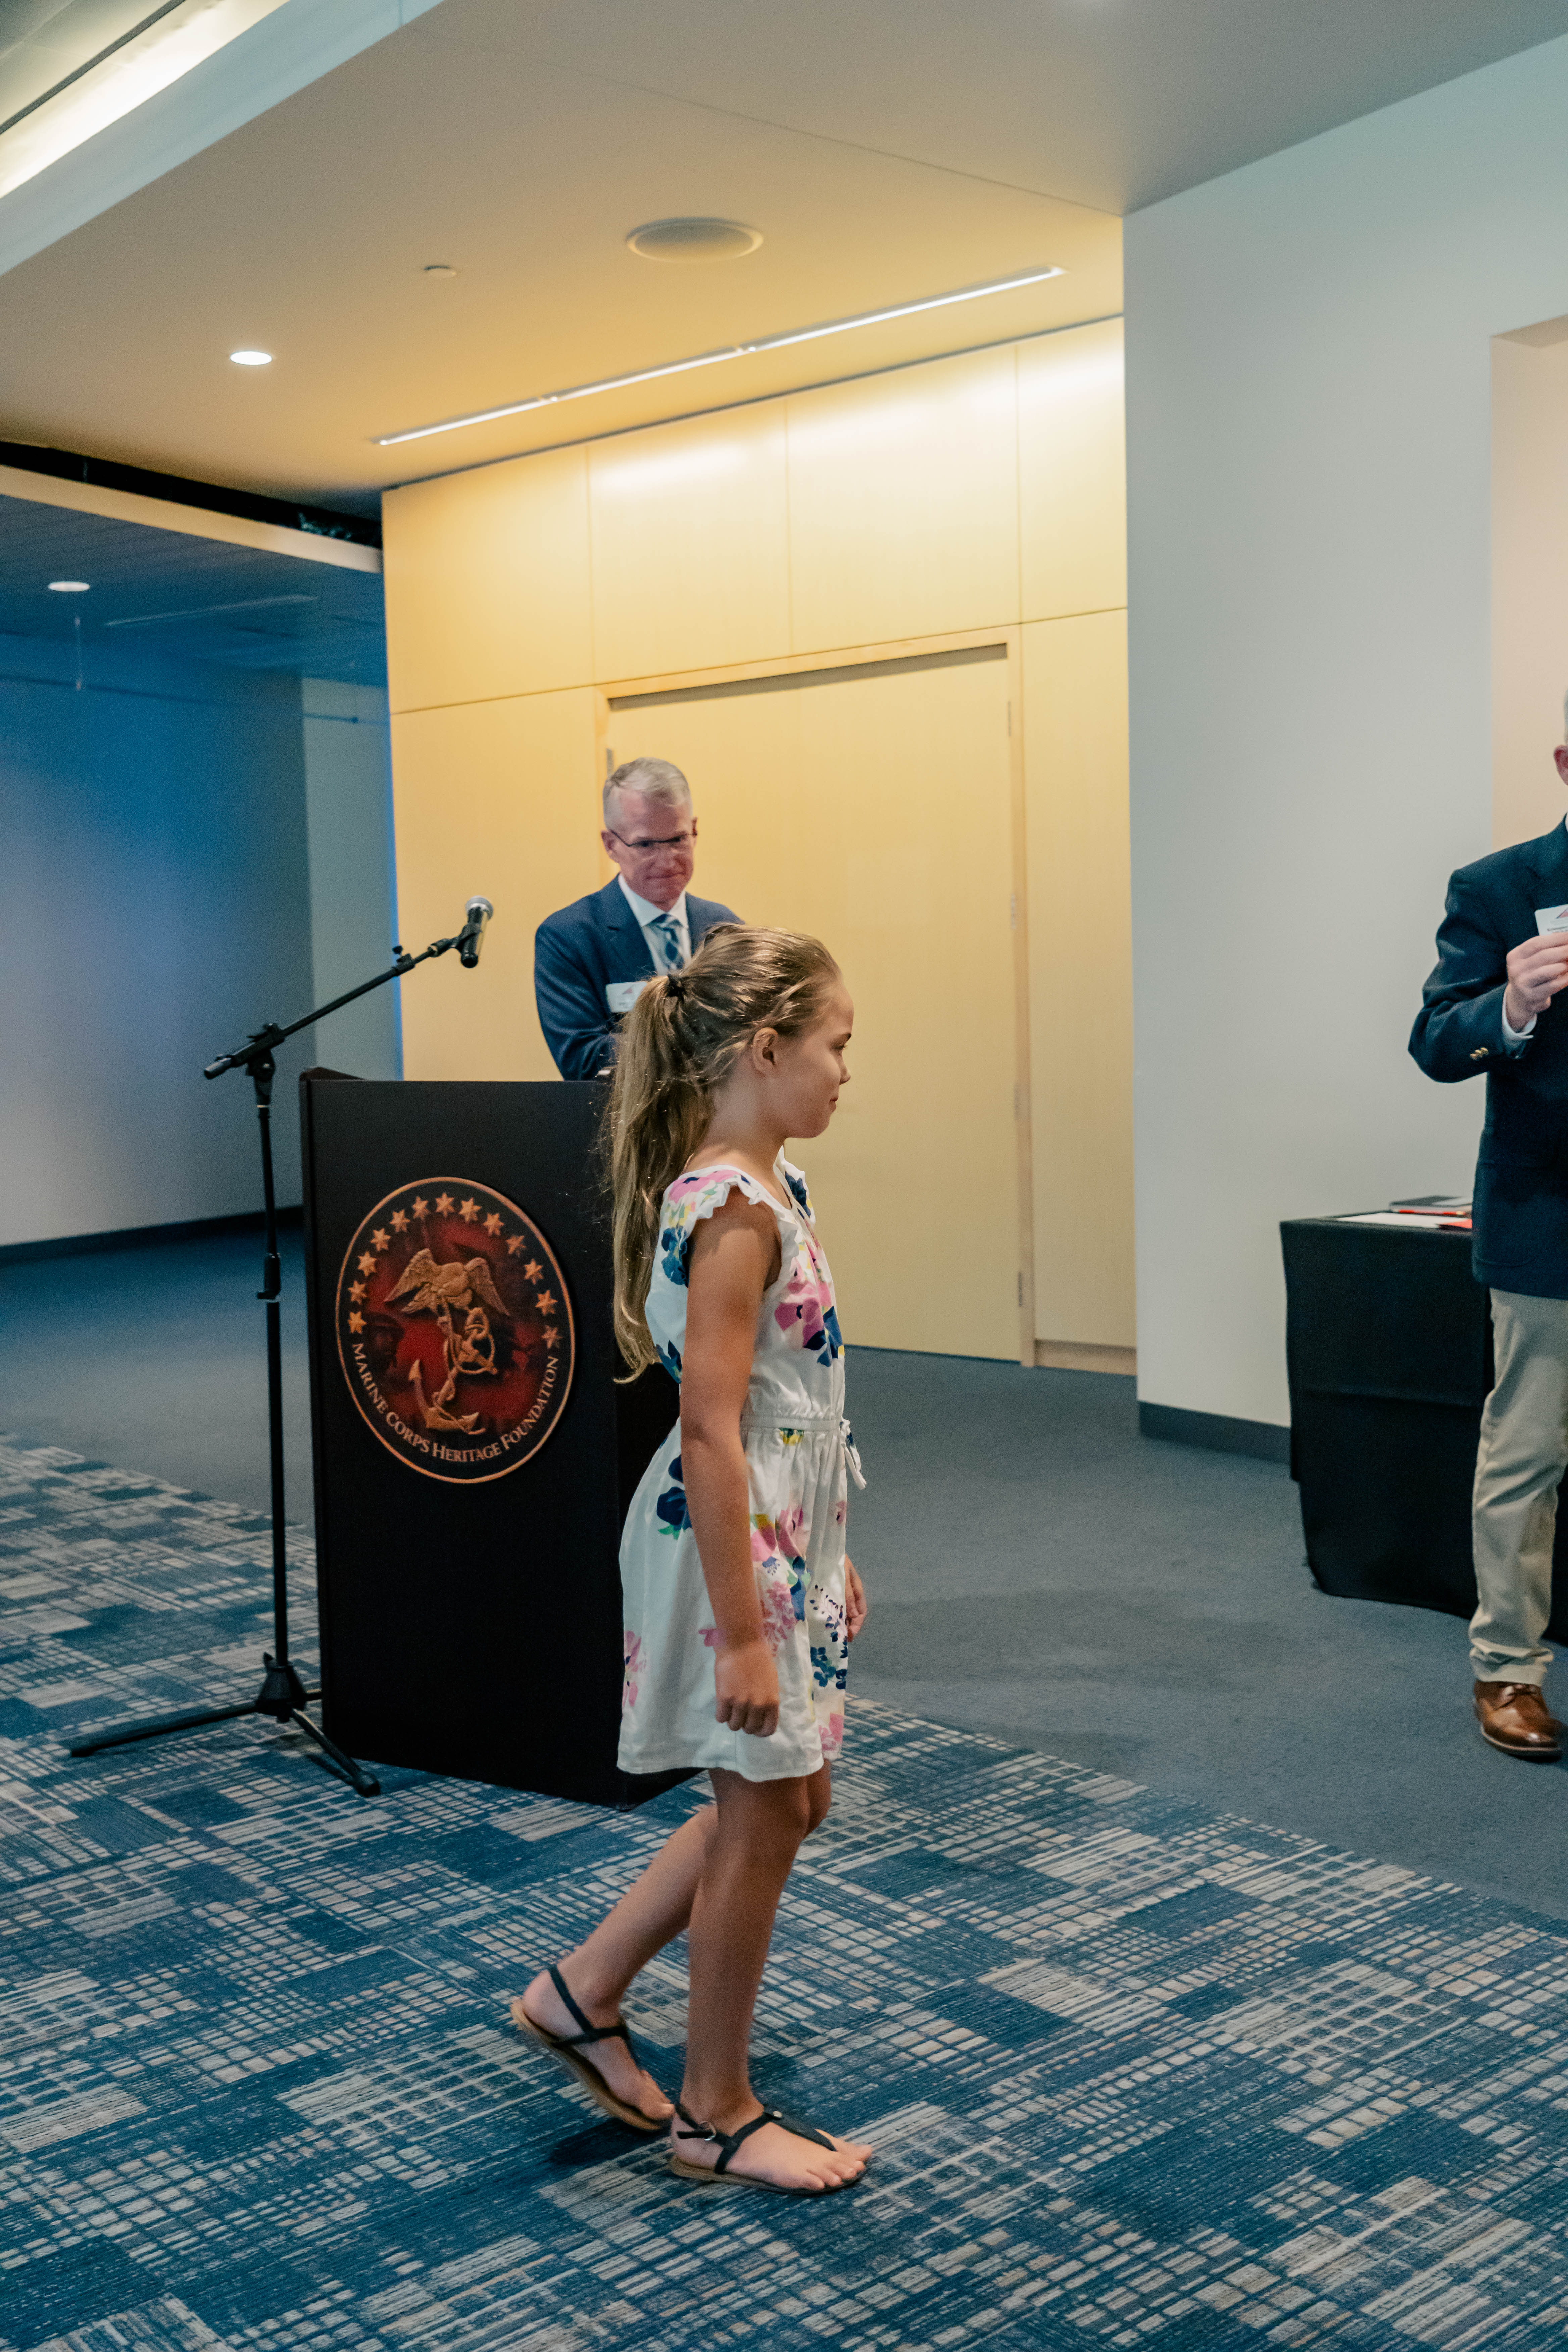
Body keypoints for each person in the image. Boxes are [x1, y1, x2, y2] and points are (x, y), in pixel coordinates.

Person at [510, 923, 872, 2195]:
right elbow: (713, 1431)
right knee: (762, 1807)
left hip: (780, 1537)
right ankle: (713, 2112)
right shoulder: (728, 1210)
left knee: (792, 1801)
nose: (846, 1071)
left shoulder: (774, 1186)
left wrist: (826, 1559)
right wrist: (745, 1631)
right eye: (835, 1045)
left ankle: (583, 1989)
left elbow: (793, 1407)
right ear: (765, 1048)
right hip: (729, 1545)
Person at [1409, 701, 1568, 1761]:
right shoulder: (1499, 885)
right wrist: (1508, 1005)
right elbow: (1434, 1038)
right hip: (1549, 1218)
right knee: (1529, 1449)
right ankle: (1508, 1666)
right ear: (1565, 762)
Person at [534, 757, 741, 1080]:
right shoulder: (569, 936)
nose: (667, 860)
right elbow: (582, 1059)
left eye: (678, 840)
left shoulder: (724, 928)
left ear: (695, 830)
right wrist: (703, 1042)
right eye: (646, 844)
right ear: (611, 845)